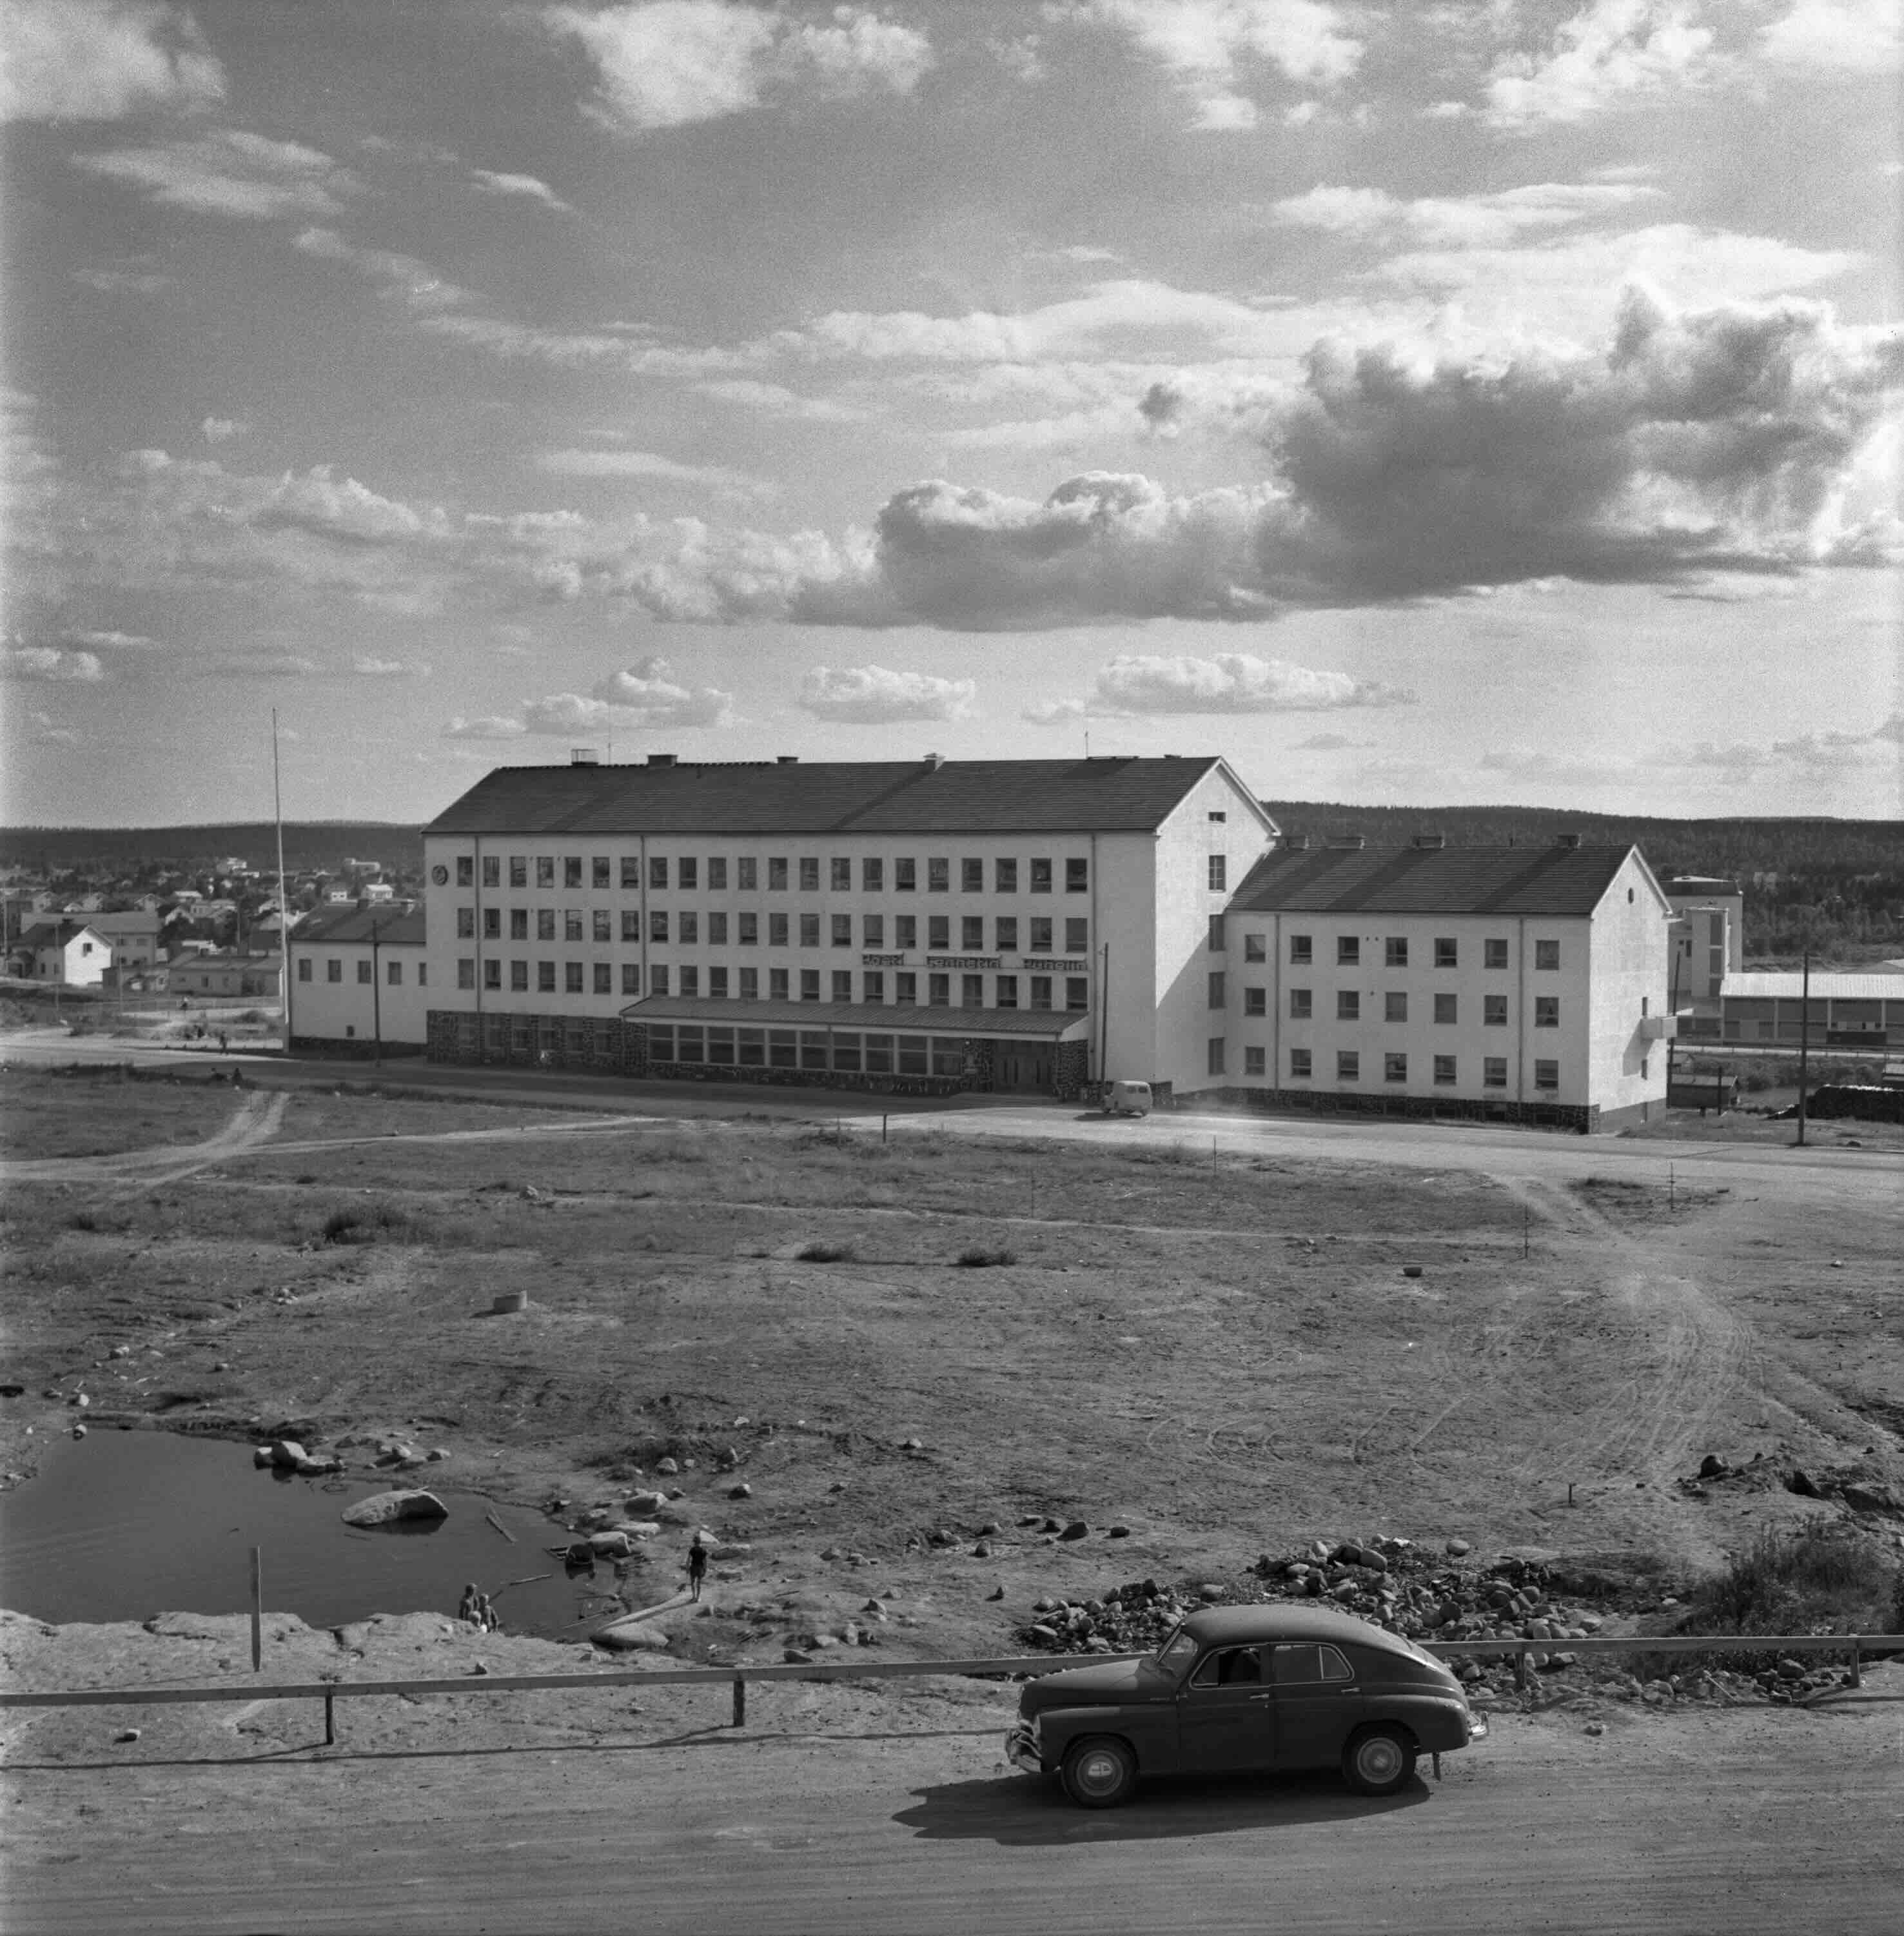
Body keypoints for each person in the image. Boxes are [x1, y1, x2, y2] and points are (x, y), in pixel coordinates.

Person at [685, 1537, 708, 1602]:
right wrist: (705, 1570)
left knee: (692, 1583)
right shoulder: (703, 1550)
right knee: (699, 1583)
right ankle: (698, 1598)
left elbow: (688, 1560)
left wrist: (687, 1568)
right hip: (700, 1568)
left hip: (693, 1567)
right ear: (700, 1542)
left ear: (694, 1542)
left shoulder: (692, 1549)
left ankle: (693, 1597)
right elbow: (705, 1561)